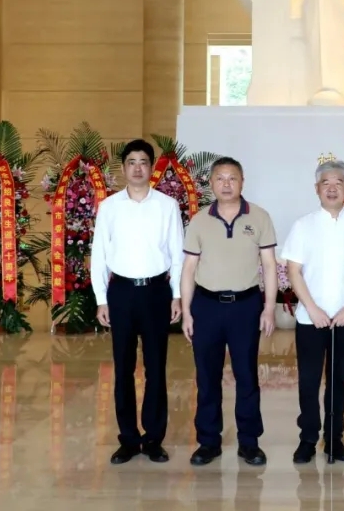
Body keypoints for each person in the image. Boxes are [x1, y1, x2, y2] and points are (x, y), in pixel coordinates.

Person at [90, 139, 184, 465]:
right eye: (131, 162)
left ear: (152, 167)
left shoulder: (167, 206)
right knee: (123, 368)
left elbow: (177, 254)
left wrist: (177, 295)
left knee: (156, 368)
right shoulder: (109, 207)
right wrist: (101, 299)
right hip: (121, 293)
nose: (138, 168)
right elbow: (99, 255)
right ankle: (128, 439)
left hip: (157, 292)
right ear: (123, 167)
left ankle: (154, 438)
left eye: (144, 162)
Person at [180, 157, 278, 467]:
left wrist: (269, 308)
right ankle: (208, 442)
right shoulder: (199, 220)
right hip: (206, 306)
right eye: (220, 178)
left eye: (232, 178)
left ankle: (249, 442)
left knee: (246, 375)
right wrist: (187, 312)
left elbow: (269, 266)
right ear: (211, 183)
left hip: (245, 306)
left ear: (242, 182)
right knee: (207, 376)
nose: (226, 184)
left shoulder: (259, 217)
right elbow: (189, 268)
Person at [282, 159, 344, 464]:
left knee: (339, 382)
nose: (332, 188)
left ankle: (334, 440)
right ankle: (308, 439)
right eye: (326, 183)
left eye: (339, 183)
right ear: (317, 189)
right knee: (309, 381)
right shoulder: (303, 225)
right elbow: (294, 271)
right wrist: (312, 309)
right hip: (310, 319)